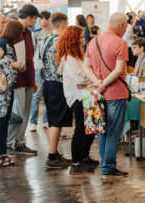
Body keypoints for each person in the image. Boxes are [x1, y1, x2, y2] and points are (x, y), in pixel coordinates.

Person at [84, 12, 130, 177]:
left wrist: (97, 83)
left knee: (102, 131)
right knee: (113, 132)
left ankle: (106, 165)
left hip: (97, 94)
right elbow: (119, 70)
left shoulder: (93, 41)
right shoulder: (120, 42)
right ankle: (108, 167)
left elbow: (86, 67)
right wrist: (104, 84)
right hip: (115, 93)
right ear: (121, 26)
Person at [57, 26, 102, 173]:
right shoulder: (69, 58)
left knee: (92, 128)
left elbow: (85, 76)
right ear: (73, 40)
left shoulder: (77, 56)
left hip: (86, 94)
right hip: (77, 97)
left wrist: (89, 79)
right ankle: (76, 162)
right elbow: (80, 77)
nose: (84, 40)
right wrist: (91, 79)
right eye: (81, 37)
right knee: (81, 129)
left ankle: (84, 157)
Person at [0, 19, 26, 167]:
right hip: (0, 90)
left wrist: (16, 67)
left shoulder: (6, 44)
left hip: (6, 89)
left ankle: (1, 153)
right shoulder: (0, 43)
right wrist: (12, 64)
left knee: (4, 121)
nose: (21, 36)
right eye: (20, 33)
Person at [38, 12, 72, 169]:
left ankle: (54, 153)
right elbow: (68, 64)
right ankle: (52, 156)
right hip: (59, 84)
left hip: (48, 82)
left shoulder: (44, 39)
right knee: (56, 121)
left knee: (53, 118)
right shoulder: (61, 41)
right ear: (63, 24)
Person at [7, 4, 40, 156]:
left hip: (27, 79)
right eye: (35, 19)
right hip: (18, 80)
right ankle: (9, 143)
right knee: (17, 113)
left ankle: (19, 143)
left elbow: (29, 57)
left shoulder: (27, 32)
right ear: (29, 17)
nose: (35, 22)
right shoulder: (14, 31)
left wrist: (32, 80)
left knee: (25, 113)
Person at [29, 10, 52, 132]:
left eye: (42, 19)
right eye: (38, 19)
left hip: (51, 68)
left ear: (49, 19)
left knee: (48, 95)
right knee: (36, 95)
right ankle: (33, 121)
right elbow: (33, 51)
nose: (39, 21)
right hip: (38, 67)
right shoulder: (36, 34)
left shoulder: (54, 33)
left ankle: (46, 120)